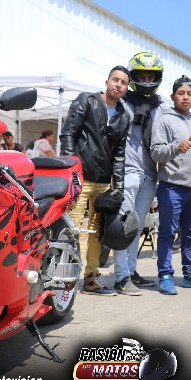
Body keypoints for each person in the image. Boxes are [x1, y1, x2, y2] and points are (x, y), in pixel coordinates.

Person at [60, 65, 131, 296]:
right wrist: (72, 168)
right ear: (107, 81)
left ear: (126, 88)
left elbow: (119, 153)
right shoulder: (87, 101)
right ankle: (64, 277)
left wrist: (118, 187)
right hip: (80, 177)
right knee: (71, 229)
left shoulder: (124, 116)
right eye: (115, 80)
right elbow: (68, 133)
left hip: (103, 182)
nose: (118, 85)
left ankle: (91, 278)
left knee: (97, 233)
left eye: (123, 82)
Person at [111, 52, 171, 294]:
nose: (146, 80)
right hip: (128, 171)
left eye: (151, 76)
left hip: (150, 173)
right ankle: (120, 275)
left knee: (136, 226)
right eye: (142, 76)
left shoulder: (161, 107)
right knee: (123, 224)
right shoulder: (122, 103)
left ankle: (131, 270)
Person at [150, 75, 191, 295]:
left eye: (189, 94)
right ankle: (165, 275)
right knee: (167, 234)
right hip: (172, 187)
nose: (185, 97)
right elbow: (156, 152)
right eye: (181, 93)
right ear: (173, 96)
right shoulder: (164, 121)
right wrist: (176, 147)